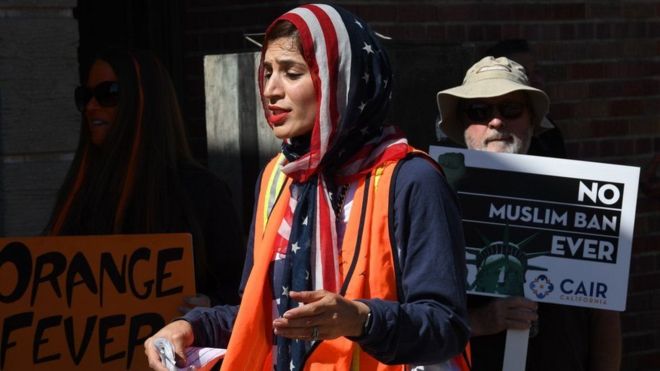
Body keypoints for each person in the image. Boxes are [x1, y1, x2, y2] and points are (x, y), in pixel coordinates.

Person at [144, 4, 470, 370]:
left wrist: (362, 319)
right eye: (266, 71)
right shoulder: (278, 177)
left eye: (291, 72)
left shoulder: (412, 179)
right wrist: (191, 327)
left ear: (342, 81)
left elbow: (446, 325)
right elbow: (262, 313)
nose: (270, 89)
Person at [436, 56, 622, 371]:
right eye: (480, 112)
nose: (496, 122)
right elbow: (408, 313)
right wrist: (478, 321)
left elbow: (604, 317)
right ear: (462, 126)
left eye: (511, 109)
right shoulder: (432, 196)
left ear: (532, 122)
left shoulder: (580, 199)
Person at [45, 49, 245, 311]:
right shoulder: (81, 192)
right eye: (85, 96)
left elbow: (240, 289)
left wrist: (211, 305)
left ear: (145, 103)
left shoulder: (202, 192)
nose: (91, 106)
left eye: (108, 94)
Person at [483, 39, 567, 158]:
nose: (537, 80)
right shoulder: (490, 133)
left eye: (537, 71)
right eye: (524, 74)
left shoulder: (549, 131)